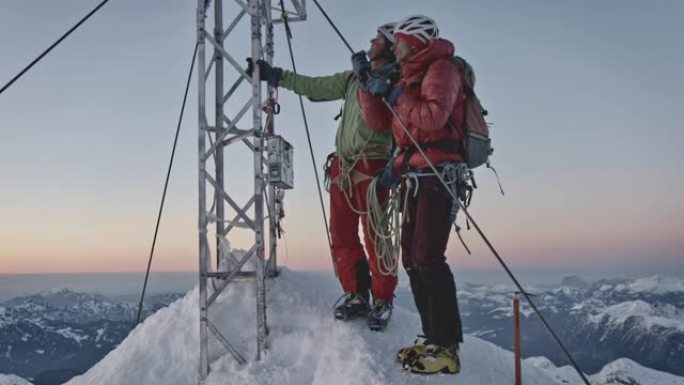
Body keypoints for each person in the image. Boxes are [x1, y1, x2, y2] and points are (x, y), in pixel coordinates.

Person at [248, 23, 399, 331]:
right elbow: (316, 87)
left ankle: (383, 298)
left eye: (379, 39)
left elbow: (402, 126)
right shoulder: (352, 80)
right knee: (341, 234)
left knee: (377, 237)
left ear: (393, 46)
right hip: (346, 166)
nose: (371, 40)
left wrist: (395, 166)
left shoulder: (397, 82)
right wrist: (278, 77)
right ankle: (357, 294)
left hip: (373, 166)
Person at [357, 15, 464, 373]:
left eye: (400, 41)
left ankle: (447, 348)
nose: (395, 46)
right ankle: (434, 340)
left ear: (415, 41)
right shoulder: (409, 75)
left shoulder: (441, 69)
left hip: (437, 174)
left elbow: (433, 118)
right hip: (417, 176)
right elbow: (384, 124)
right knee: (411, 258)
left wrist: (396, 94)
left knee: (428, 256)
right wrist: (368, 88)